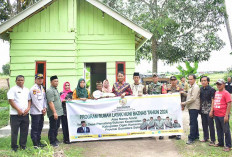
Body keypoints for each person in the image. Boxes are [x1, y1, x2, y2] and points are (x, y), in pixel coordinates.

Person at [7, 75, 31, 152]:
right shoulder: (13, 89)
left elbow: (29, 100)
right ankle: (14, 147)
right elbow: (11, 101)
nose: (20, 81)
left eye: (22, 80)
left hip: (25, 114)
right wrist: (18, 110)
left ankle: (23, 146)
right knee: (14, 131)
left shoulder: (27, 90)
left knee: (24, 131)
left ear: (24, 81)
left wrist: (28, 108)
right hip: (15, 115)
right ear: (16, 81)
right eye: (19, 80)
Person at [210, 79, 231, 152]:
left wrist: (226, 115)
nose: (218, 85)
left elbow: (229, 104)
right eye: (217, 84)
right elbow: (214, 102)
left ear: (224, 84)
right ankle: (221, 143)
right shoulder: (216, 92)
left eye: (220, 84)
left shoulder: (226, 93)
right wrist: (212, 111)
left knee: (226, 131)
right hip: (216, 114)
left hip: (223, 115)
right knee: (219, 130)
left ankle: (228, 145)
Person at [181, 74, 200, 145]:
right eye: (188, 79)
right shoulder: (191, 87)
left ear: (194, 80)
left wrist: (184, 103)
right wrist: (183, 93)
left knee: (192, 122)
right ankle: (196, 135)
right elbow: (189, 96)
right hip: (191, 107)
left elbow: (193, 98)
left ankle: (191, 138)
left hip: (194, 107)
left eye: (191, 79)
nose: (189, 80)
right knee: (194, 122)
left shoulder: (196, 87)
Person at [29, 74, 47, 148]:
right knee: (35, 128)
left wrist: (45, 108)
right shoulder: (33, 89)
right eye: (38, 78)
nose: (40, 80)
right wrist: (41, 109)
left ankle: (38, 142)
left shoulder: (42, 88)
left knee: (40, 127)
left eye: (41, 78)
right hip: (35, 112)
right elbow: (35, 101)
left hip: (41, 112)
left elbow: (44, 99)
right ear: (35, 80)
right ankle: (35, 144)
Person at [46, 75, 63, 147]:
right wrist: (54, 112)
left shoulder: (55, 89)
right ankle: (52, 141)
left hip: (59, 112)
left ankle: (55, 139)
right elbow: (50, 102)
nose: (56, 82)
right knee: (53, 127)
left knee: (57, 126)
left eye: (57, 81)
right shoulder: (50, 90)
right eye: (55, 81)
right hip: (54, 112)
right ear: (51, 82)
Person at [199, 76, 216, 146]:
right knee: (204, 124)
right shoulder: (201, 89)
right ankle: (206, 137)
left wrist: (212, 111)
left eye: (205, 80)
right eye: (202, 81)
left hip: (209, 110)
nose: (203, 82)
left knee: (211, 125)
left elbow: (213, 100)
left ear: (208, 81)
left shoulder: (212, 89)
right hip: (203, 110)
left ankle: (213, 140)